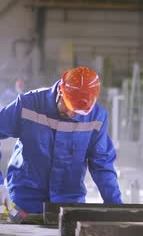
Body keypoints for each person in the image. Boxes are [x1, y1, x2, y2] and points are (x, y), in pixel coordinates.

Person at [0, 66, 122, 213]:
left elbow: (102, 165)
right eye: (68, 106)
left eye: (77, 111)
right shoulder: (28, 104)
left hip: (69, 203)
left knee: (74, 235)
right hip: (23, 200)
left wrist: (116, 207)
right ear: (60, 91)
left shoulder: (97, 118)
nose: (71, 113)